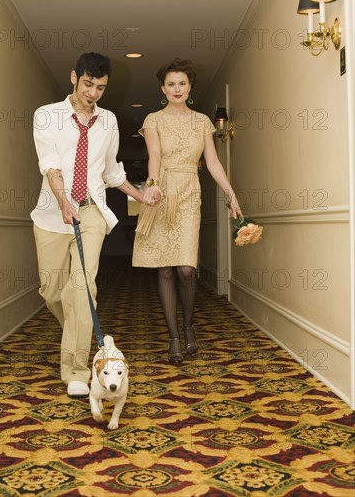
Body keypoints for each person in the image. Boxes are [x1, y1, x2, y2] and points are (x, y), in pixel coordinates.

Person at [31, 52, 145, 398]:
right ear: (73, 78)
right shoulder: (47, 116)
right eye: (88, 85)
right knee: (52, 291)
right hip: (53, 211)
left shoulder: (108, 121)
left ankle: (77, 369)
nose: (93, 93)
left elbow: (111, 171)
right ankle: (78, 335)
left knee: (82, 289)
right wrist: (64, 201)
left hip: (92, 210)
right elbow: (50, 164)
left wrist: (139, 195)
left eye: (101, 87)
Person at [132, 58, 242, 363]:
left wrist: (230, 194)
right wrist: (152, 185)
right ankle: (174, 338)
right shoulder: (154, 119)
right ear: (162, 89)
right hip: (162, 192)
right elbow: (154, 153)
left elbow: (213, 162)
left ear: (190, 87)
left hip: (190, 193)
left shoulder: (203, 121)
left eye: (182, 83)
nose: (177, 89)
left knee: (185, 268)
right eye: (171, 84)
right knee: (165, 268)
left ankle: (189, 324)